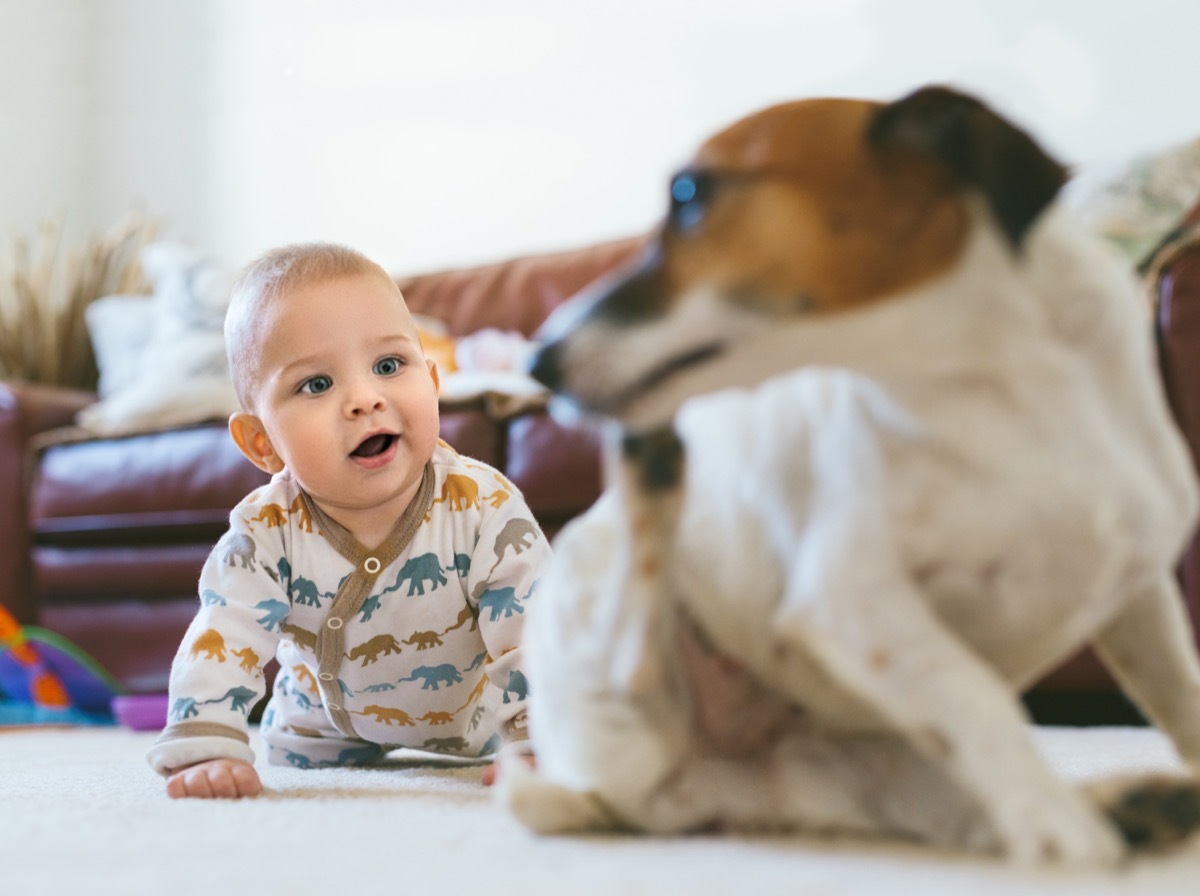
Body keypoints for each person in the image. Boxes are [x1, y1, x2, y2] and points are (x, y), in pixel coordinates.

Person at [146, 242, 550, 798]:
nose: (365, 399)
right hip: (315, 729)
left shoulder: (483, 508)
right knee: (296, 741)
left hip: (470, 726)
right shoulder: (266, 530)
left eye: (389, 366)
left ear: (432, 384)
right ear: (262, 442)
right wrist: (206, 746)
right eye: (317, 383)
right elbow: (224, 633)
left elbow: (532, 628)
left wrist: (541, 741)